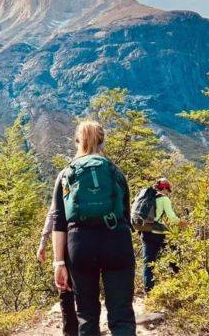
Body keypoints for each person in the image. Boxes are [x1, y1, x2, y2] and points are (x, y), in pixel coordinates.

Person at [51, 120, 136, 336]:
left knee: (87, 314)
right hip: (116, 241)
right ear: (102, 141)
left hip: (80, 245)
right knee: (122, 314)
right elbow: (126, 215)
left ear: (77, 140)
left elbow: (59, 221)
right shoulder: (115, 171)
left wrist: (59, 262)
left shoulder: (66, 174)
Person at [37, 185, 78, 336]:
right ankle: (89, 327)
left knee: (65, 287)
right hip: (88, 241)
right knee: (87, 287)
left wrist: (43, 242)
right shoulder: (103, 171)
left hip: (64, 243)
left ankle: (70, 331)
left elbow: (52, 215)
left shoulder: (66, 176)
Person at [140, 178, 185, 294]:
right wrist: (183, 223)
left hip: (145, 232)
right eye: (167, 190)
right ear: (164, 188)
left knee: (148, 262)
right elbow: (172, 218)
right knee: (174, 257)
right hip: (159, 234)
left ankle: (148, 293)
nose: (167, 193)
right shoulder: (164, 199)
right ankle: (181, 284)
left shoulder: (148, 197)